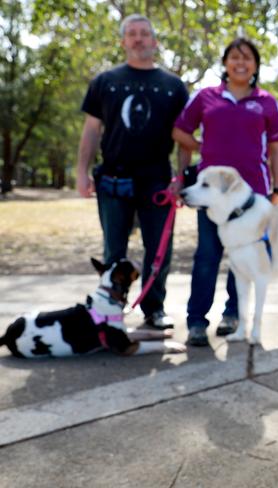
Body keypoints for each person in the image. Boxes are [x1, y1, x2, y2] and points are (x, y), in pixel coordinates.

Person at [76, 14, 189, 329]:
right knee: (113, 251)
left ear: (154, 41)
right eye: (132, 34)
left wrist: (180, 177)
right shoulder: (105, 82)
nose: (138, 39)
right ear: (123, 41)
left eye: (144, 34)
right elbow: (91, 130)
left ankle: (154, 308)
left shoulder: (174, 86)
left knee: (159, 252)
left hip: (157, 181)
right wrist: (81, 171)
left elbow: (184, 137)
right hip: (113, 179)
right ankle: (110, 311)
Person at [172, 37, 278, 347]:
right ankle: (197, 321)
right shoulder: (206, 97)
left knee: (246, 261)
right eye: (234, 57)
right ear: (225, 63)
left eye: (247, 58)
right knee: (207, 257)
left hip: (253, 200)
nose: (240, 62)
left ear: (256, 66)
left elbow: (276, 149)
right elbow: (179, 131)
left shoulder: (266, 102)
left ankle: (233, 316)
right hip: (212, 197)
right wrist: (199, 148)